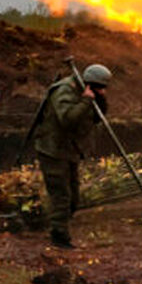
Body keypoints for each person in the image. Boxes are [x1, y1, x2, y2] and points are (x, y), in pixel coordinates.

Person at [32, 63, 111, 248]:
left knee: (74, 197)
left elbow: (97, 117)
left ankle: (58, 225)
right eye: (100, 87)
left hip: (70, 149)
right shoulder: (65, 91)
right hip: (52, 149)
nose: (102, 90)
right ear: (90, 83)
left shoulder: (88, 91)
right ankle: (59, 237)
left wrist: (99, 99)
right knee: (61, 195)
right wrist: (85, 101)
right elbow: (67, 119)